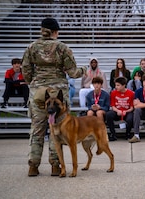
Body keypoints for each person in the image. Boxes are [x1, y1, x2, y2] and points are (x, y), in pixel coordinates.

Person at [22, 17, 87, 177]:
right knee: (57, 130)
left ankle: (33, 166)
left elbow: (26, 71)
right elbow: (73, 72)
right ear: (56, 32)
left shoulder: (31, 47)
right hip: (58, 94)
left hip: (38, 93)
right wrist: (84, 69)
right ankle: (55, 166)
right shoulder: (62, 48)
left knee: (37, 130)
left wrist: (35, 83)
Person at [106, 77, 134, 141]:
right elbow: (113, 106)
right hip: (117, 111)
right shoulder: (113, 93)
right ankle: (113, 134)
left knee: (130, 118)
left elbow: (132, 108)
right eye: (116, 85)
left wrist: (126, 111)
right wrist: (117, 110)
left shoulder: (131, 93)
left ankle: (128, 134)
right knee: (108, 115)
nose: (116, 87)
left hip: (127, 111)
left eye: (118, 85)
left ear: (124, 85)